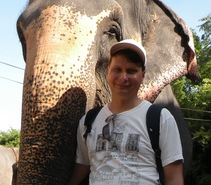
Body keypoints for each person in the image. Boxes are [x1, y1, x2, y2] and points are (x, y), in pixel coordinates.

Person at [69, 39, 184, 185]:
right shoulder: (88, 121)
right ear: (108, 70)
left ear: (143, 75)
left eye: (131, 71)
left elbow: (174, 178)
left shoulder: (160, 119)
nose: (123, 78)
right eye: (117, 69)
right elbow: (82, 167)